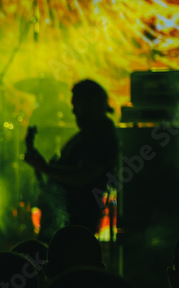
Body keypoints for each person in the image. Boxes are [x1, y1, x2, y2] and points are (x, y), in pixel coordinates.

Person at [24, 79, 118, 238]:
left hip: (77, 216)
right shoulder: (90, 132)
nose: (73, 111)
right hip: (66, 215)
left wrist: (44, 168)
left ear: (92, 103)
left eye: (76, 105)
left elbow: (83, 174)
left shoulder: (100, 133)